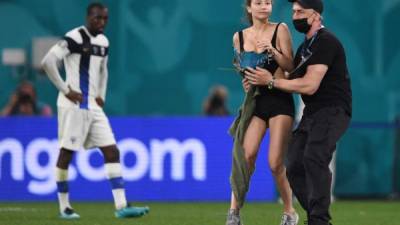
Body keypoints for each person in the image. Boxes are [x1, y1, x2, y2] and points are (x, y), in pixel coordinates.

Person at [243, 0, 352, 224]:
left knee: (314, 156)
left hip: (332, 110)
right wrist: (256, 80)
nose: (295, 16)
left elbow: (309, 85)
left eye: (300, 11)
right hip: (312, 112)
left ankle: (319, 220)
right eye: (293, 11)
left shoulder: (326, 42)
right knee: (293, 165)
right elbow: (289, 79)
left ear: (316, 16)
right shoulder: (305, 48)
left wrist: (271, 81)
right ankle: (315, 216)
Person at [41, 2, 149, 220]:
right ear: (88, 17)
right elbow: (48, 62)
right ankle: (64, 207)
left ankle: (121, 206)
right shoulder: (74, 38)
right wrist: (65, 89)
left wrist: (102, 94)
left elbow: (103, 70)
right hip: (73, 105)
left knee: (112, 151)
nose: (101, 23)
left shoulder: (103, 41)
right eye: (97, 18)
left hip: (93, 106)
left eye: (105, 19)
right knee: (66, 153)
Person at [227, 0, 298, 224]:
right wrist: (245, 82)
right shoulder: (238, 37)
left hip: (280, 100)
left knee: (275, 163)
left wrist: (273, 51)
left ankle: (289, 212)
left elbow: (291, 67)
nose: (264, 6)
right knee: (245, 157)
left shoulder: (280, 29)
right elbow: (242, 68)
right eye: (258, 2)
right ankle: (234, 213)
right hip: (256, 102)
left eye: (267, 2)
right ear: (249, 8)